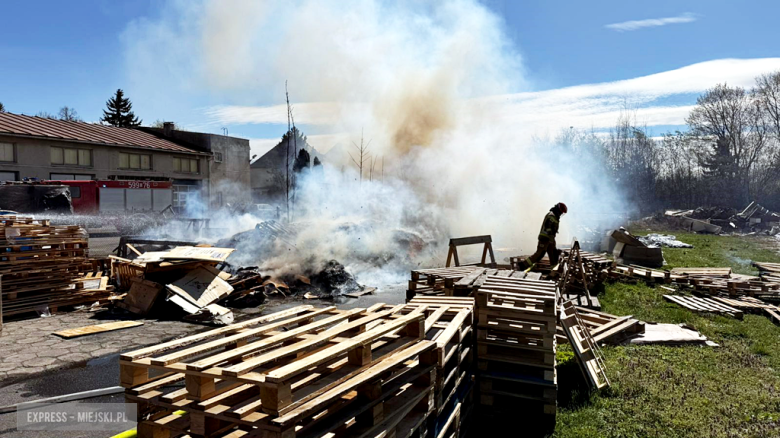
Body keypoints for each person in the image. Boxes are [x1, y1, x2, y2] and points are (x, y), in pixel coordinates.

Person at [523, 202, 567, 270]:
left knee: (553, 254)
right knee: (539, 255)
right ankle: (523, 265)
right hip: (545, 238)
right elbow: (547, 227)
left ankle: (554, 269)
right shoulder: (551, 216)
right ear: (558, 210)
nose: (561, 214)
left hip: (550, 239)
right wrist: (550, 234)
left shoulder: (555, 216)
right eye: (561, 212)